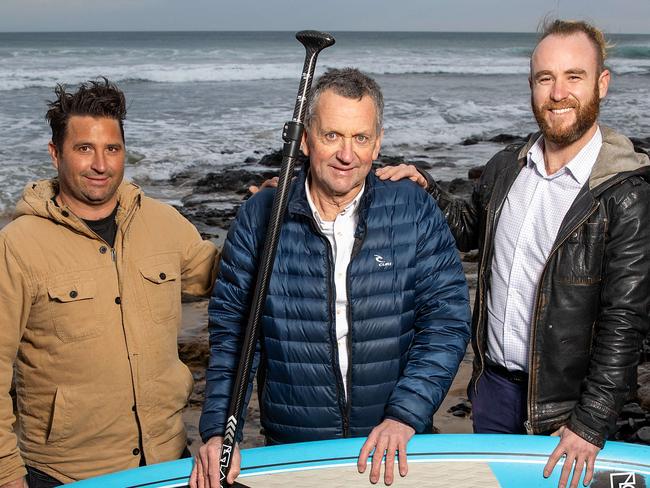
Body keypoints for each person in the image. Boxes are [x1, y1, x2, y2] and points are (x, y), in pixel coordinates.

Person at [378, 19, 650, 488]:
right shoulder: (509, 165)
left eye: (574, 76)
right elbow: (469, 231)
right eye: (545, 78)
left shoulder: (625, 194)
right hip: (494, 390)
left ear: (602, 84)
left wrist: (591, 423)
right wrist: (428, 188)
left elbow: (624, 321)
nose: (558, 92)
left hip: (568, 410)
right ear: (532, 86)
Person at [192, 68, 471, 487]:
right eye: (332, 136)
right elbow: (234, 334)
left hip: (394, 450)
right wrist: (218, 430)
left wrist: (406, 415)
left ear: (377, 143)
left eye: (360, 138)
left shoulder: (412, 209)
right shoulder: (261, 216)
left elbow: (446, 322)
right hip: (295, 453)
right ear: (305, 139)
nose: (347, 154)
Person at [0, 78, 220, 487]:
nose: (101, 164)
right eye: (84, 149)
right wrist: (7, 476)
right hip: (66, 474)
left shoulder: (163, 222)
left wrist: (270, 208)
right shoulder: (17, 246)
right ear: (55, 154)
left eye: (112, 149)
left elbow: (225, 279)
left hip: (169, 460)